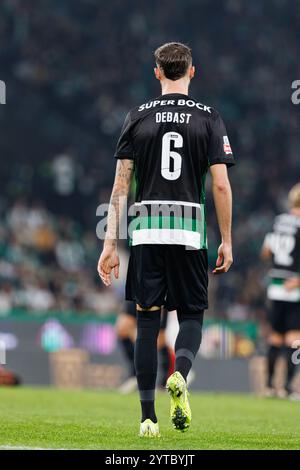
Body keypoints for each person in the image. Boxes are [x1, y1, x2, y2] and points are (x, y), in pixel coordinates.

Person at [98, 42, 234, 437]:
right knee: (191, 314)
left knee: (146, 320)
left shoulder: (136, 116)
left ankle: (146, 418)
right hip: (190, 228)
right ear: (193, 71)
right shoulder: (210, 118)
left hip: (146, 226)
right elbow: (221, 186)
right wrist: (226, 238)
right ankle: (181, 374)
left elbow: (120, 186)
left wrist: (110, 243)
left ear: (156, 72)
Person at [261, 183, 300, 399]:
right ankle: (287, 388)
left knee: (275, 338)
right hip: (294, 287)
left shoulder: (278, 221)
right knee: (294, 338)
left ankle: (268, 387)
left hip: (275, 286)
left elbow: (265, 252)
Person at [116, 302, 174, 393]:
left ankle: (167, 379)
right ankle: (135, 374)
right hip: (136, 291)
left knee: (160, 338)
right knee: (123, 329)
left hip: (157, 292)